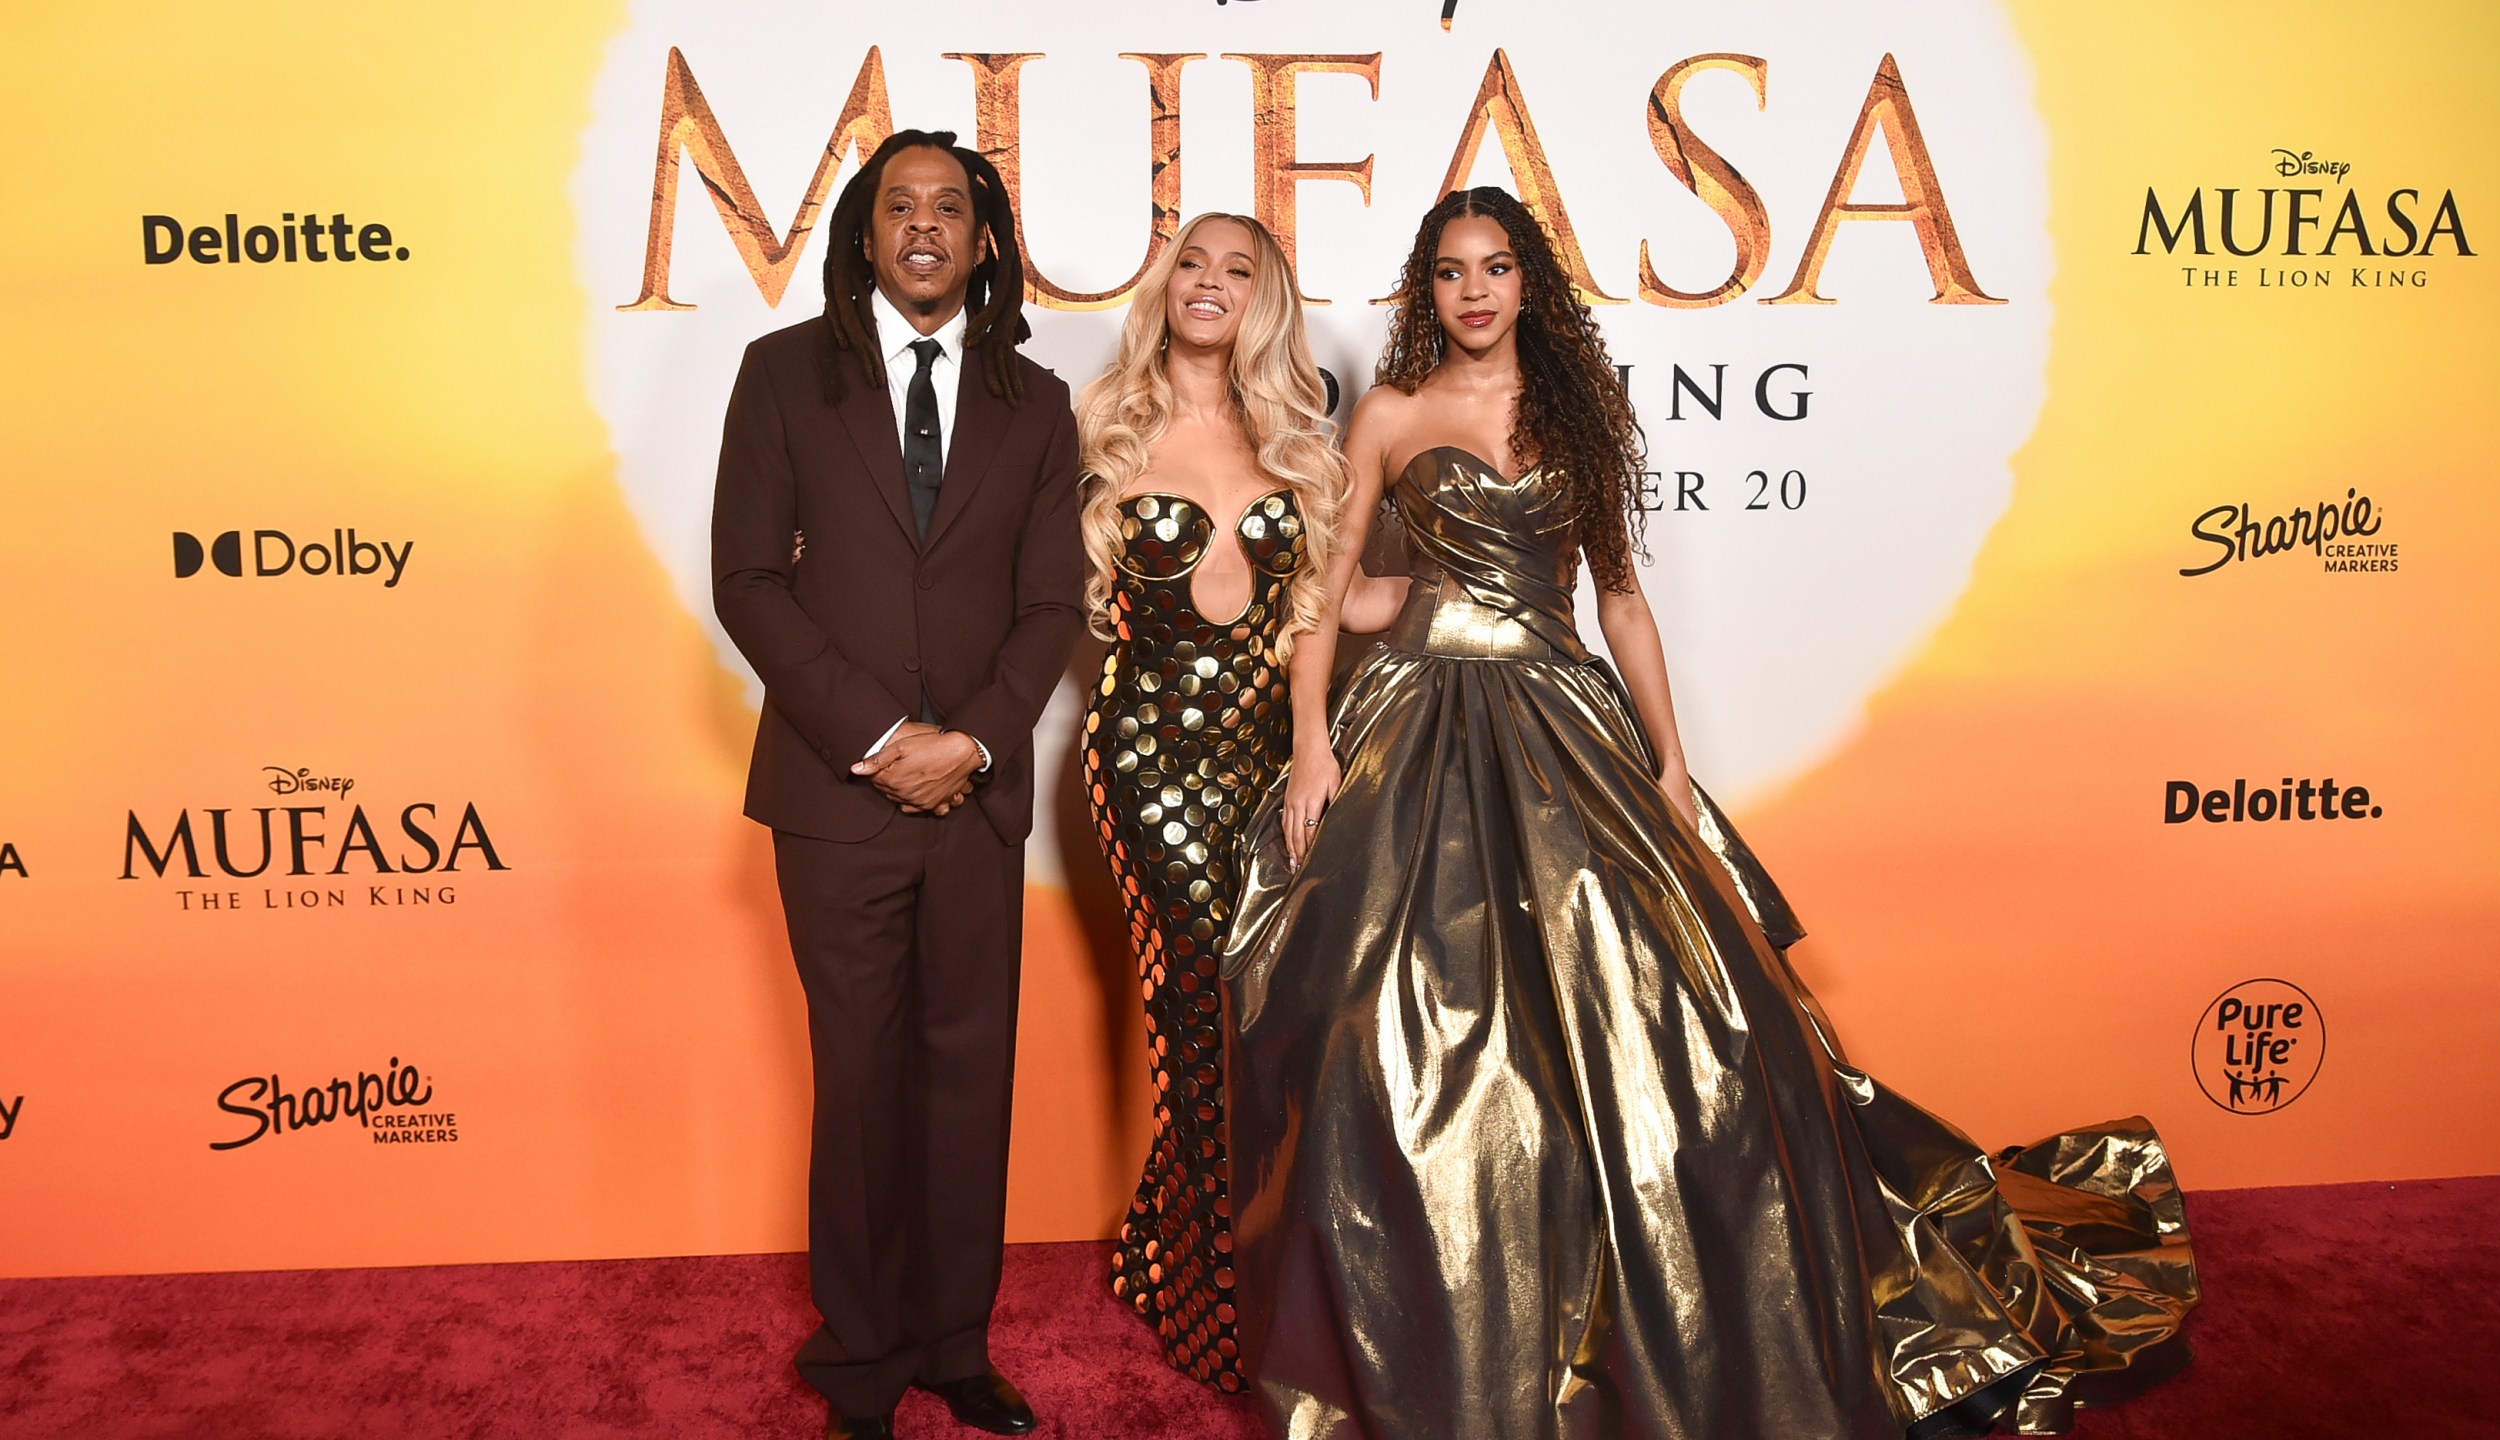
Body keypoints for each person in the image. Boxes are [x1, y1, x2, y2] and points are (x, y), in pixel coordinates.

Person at [1221, 186, 2199, 1440]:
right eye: (1453, 270)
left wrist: (1671, 764)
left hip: (1565, 719)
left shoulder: (1577, 410)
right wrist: (1310, 741)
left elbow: (1618, 602)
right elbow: (1330, 585)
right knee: (1387, 1035)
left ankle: (1665, 1327)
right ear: (1431, 289)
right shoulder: (1395, 414)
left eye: (1497, 267)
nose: (1474, 290)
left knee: (1701, 1027)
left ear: (1529, 285)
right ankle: (1448, 1340)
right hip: (1416, 722)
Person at [711, 129, 1082, 1440]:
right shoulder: (780, 379)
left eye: (950, 208)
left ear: (985, 243)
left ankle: (954, 1343)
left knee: (965, 1073)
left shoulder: (1036, 406)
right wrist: (880, 739)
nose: (923, 225)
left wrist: (969, 741)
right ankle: (861, 1359)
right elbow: (747, 581)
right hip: (834, 797)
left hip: (973, 798)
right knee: (859, 1077)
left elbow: (1053, 605)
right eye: (896, 206)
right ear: (864, 236)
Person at [1073, 212, 1401, 1392]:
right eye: (1192, 266)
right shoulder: (1101, 427)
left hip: (1270, 767)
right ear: (1165, 285)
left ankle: (1165, 1248)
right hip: (1147, 762)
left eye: (1238, 270)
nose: (1209, 286)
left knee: (1264, 1018)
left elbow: (1344, 607)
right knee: (1199, 998)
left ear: (1262, 299)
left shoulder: (1295, 438)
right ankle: (1215, 1308)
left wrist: (1490, 573)